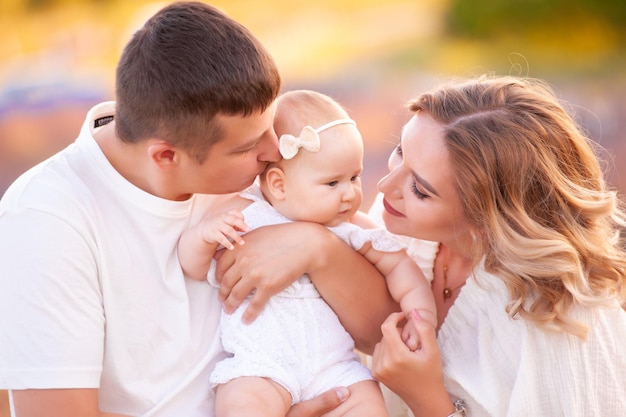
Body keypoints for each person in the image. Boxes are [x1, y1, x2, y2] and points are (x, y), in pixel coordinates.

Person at [0, 3, 398, 417]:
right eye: (247, 147)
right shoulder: (46, 220)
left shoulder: (258, 176)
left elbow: (380, 335)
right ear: (167, 156)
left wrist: (318, 249)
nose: (274, 151)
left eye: (271, 127)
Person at [367, 74, 626, 416]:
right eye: (400, 151)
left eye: (420, 189)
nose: (386, 186)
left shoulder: (558, 323)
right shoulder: (405, 228)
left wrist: (426, 399)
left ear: (485, 221)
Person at [178, 89, 437, 417]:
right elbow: (193, 266)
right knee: (243, 406)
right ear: (279, 184)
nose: (349, 194)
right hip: (261, 366)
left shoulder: (352, 227)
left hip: (336, 367)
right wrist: (203, 236)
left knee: (367, 405)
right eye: (332, 183)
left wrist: (420, 317)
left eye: (354, 178)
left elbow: (401, 266)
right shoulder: (244, 213)